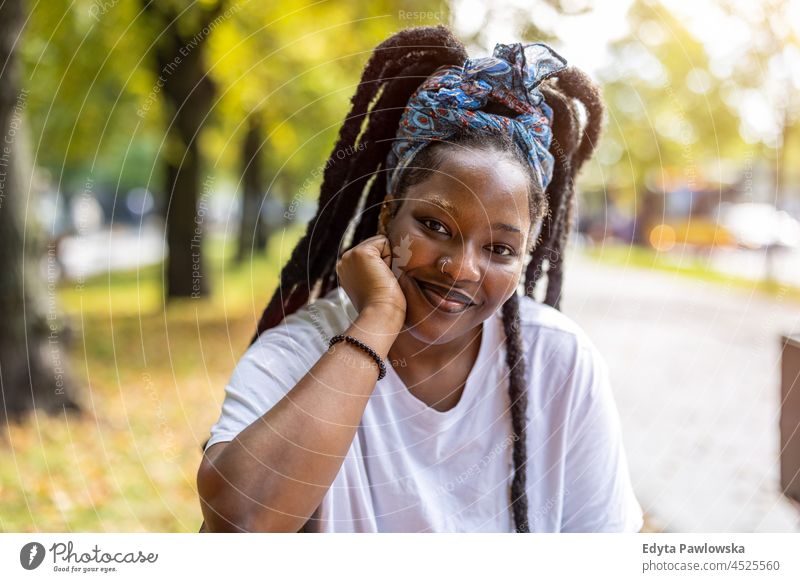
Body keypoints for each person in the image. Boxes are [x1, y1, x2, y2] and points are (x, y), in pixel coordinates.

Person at [196, 24, 644, 533]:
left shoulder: (558, 361)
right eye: (435, 226)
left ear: (525, 258)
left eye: (499, 249)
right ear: (388, 217)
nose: (462, 268)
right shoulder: (300, 351)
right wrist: (377, 323)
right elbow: (238, 524)